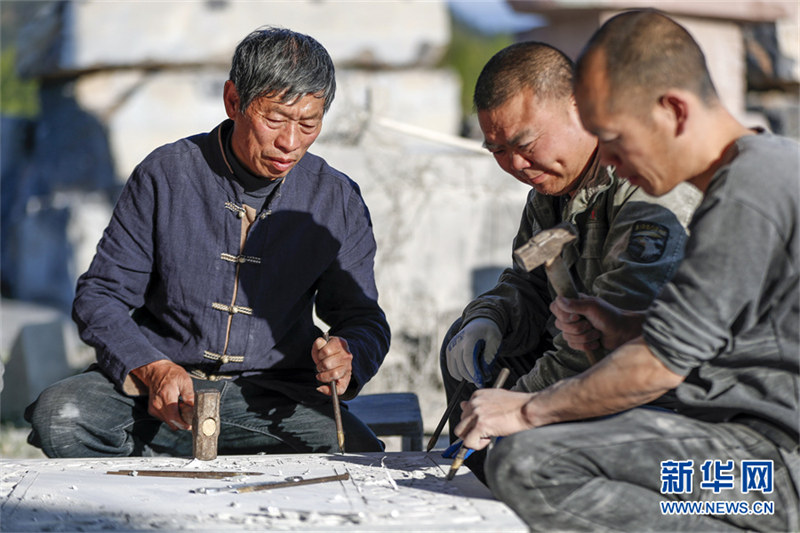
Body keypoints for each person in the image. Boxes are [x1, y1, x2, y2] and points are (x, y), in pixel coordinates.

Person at [456, 11, 799, 532]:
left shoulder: (749, 192)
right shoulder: (750, 176)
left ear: (673, 111)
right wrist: (624, 324)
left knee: (529, 462)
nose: (609, 161)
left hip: (766, 476)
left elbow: (661, 364)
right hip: (730, 443)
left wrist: (525, 410)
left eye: (612, 137)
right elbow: (721, 338)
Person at [25, 27, 390, 457]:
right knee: (61, 417)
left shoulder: (336, 198)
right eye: (274, 118)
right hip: (161, 392)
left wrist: (348, 353)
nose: (290, 143)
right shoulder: (166, 174)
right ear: (233, 101)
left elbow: (364, 319)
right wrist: (153, 368)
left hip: (271, 399)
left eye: (308, 123)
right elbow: (99, 296)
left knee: (360, 455)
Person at [438, 42, 700, 472]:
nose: (517, 164)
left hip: (661, 397)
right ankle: (471, 488)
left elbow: (611, 337)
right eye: (498, 151)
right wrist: (492, 316)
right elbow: (528, 284)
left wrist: (520, 405)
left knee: (522, 449)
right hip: (581, 365)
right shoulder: (549, 191)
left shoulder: (646, 183)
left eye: (525, 143)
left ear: (580, 107)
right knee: (471, 348)